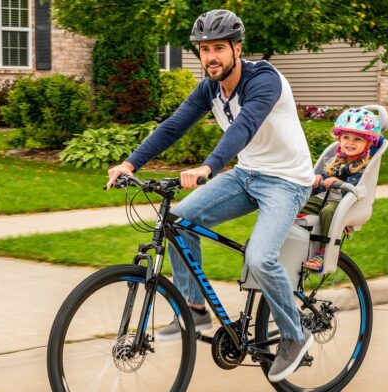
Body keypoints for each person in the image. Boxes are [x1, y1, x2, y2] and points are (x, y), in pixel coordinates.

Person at [106, 9, 315, 382]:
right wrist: (130, 163)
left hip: (287, 181)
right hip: (248, 174)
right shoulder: (209, 88)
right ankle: (194, 307)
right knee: (178, 223)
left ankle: (295, 335)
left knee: (260, 258)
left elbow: (246, 126)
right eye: (203, 50)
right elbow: (174, 125)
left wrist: (208, 166)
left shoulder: (264, 79)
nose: (211, 57)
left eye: (219, 48)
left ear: (237, 48)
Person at [302, 108, 383, 272]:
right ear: (339, 138)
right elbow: (324, 179)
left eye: (357, 139)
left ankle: (324, 252)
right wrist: (317, 181)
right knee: (299, 204)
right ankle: (295, 243)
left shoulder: (363, 166)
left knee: (328, 211)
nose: (350, 142)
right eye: (346, 137)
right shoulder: (336, 160)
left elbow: (354, 191)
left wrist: (338, 182)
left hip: (346, 204)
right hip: (326, 199)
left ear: (368, 143)